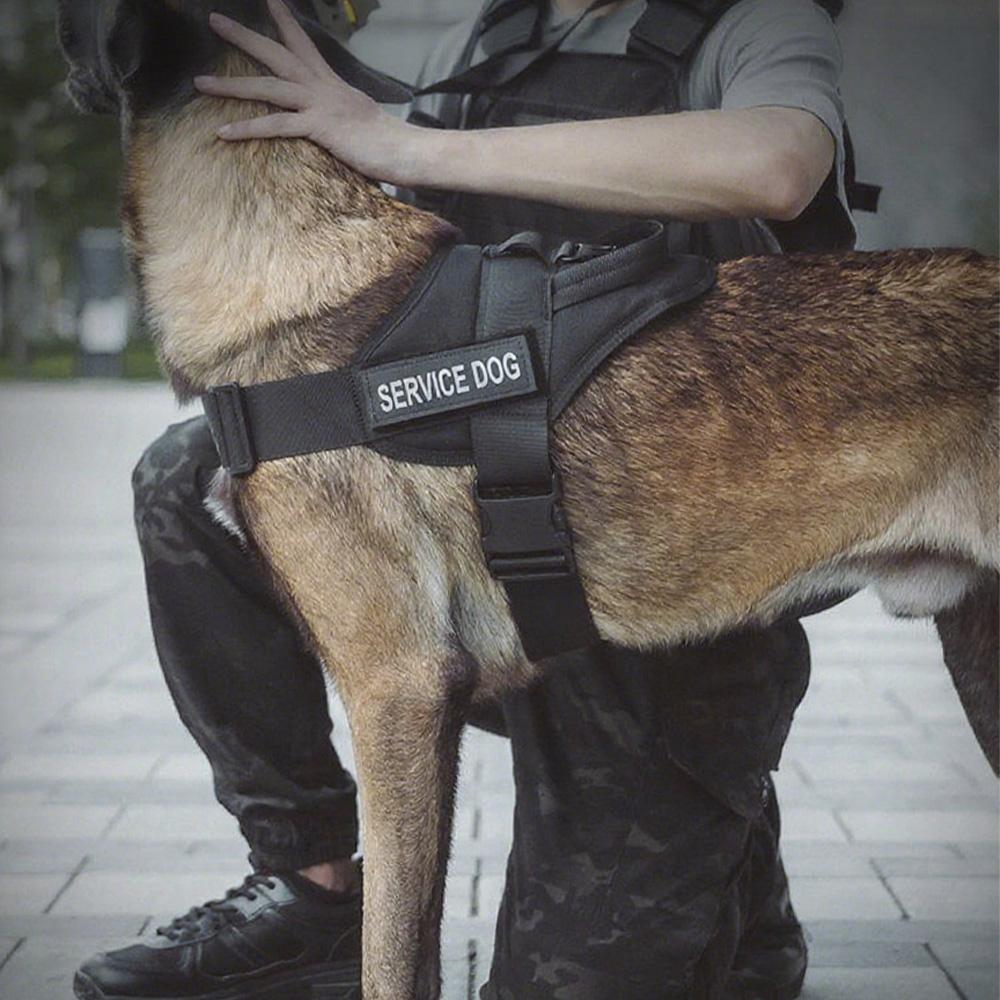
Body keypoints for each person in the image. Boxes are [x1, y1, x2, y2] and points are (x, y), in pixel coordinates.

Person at [75, 1, 860, 998]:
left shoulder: (748, 23)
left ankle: (730, 880)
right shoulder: (481, 33)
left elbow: (778, 166)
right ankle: (313, 885)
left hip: (661, 589)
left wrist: (407, 142)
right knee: (195, 474)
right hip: (493, 551)